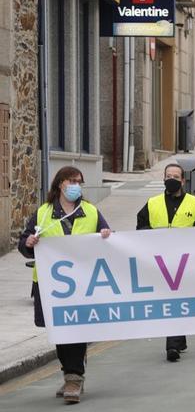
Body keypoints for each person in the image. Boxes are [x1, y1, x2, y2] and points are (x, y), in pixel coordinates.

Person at [19, 166, 112, 403]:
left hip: (83, 283)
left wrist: (106, 234)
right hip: (51, 285)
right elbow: (25, 243)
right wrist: (29, 242)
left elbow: (107, 236)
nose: (76, 186)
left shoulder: (90, 211)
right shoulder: (44, 213)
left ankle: (74, 378)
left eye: (79, 182)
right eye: (72, 181)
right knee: (60, 330)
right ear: (60, 183)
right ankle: (71, 372)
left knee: (76, 328)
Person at [136, 164, 195, 362]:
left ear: (183, 181)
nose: (172, 179)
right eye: (168, 176)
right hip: (160, 261)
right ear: (163, 179)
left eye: (176, 177)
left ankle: (174, 343)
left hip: (185, 261)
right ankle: (176, 342)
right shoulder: (152, 203)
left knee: (178, 300)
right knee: (170, 301)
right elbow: (141, 226)